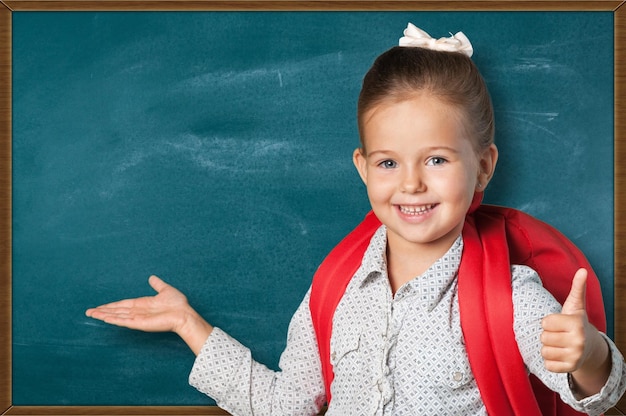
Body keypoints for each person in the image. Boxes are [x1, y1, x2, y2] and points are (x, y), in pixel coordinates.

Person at [86, 24, 626, 415]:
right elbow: (286, 406)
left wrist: (590, 354)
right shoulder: (334, 291)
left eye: (436, 159)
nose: (411, 183)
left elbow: (600, 395)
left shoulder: (508, 294)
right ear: (362, 169)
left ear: (482, 167)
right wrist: (188, 324)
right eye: (389, 163)